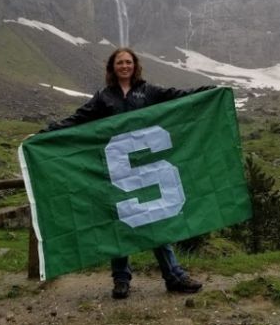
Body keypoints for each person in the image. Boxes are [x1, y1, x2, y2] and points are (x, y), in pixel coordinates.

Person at [40, 46, 213, 299]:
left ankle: (174, 275)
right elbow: (79, 119)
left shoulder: (148, 91)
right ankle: (121, 280)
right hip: (118, 170)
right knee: (118, 223)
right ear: (112, 67)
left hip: (146, 166)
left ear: (135, 65)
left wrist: (209, 93)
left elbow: (178, 97)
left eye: (128, 62)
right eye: (120, 62)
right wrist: (47, 132)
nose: (124, 66)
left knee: (154, 219)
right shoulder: (104, 97)